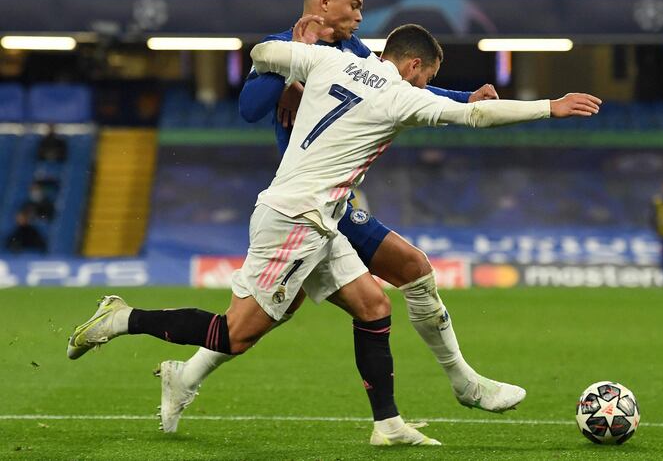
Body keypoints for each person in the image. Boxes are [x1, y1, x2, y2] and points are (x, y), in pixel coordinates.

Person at [67, 22, 600, 447]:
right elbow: (477, 116)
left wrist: (293, 48)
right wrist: (550, 107)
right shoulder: (400, 96)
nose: (423, 86)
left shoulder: (333, 59)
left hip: (316, 218)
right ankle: (123, 318)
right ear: (415, 66)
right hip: (296, 222)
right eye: (426, 76)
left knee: (374, 306)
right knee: (236, 333)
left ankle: (388, 424)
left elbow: (260, 55)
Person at [160, 0, 510, 434]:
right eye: (355, 4)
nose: (360, 16)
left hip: (334, 203)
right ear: (325, 1)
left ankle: (422, 404)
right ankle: (456, 387)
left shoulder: (350, 50)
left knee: (368, 293)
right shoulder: (287, 48)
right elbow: (248, 110)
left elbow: (402, 88)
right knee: (384, 281)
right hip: (305, 204)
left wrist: (464, 98)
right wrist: (286, 77)